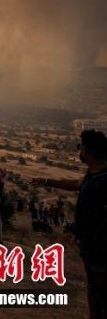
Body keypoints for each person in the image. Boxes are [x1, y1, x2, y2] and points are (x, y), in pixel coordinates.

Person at [31, 129, 107, 319]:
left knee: (100, 298)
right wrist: (46, 180)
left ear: (87, 151)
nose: (79, 152)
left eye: (81, 148)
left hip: (100, 251)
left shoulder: (102, 182)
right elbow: (75, 183)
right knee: (94, 294)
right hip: (91, 249)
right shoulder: (96, 174)